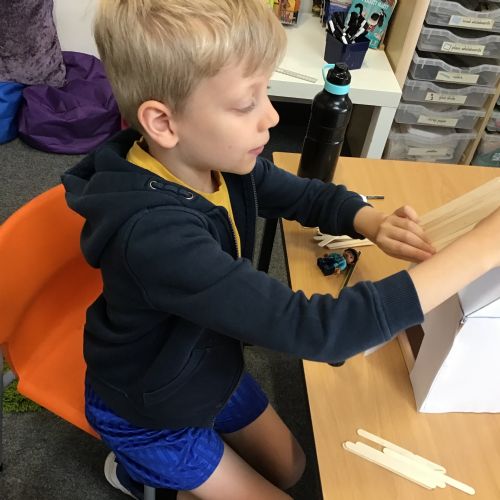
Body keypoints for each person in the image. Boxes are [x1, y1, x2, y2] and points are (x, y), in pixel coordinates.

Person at [62, 1, 500, 499]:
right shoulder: (156, 237)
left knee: (291, 468)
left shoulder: (211, 159)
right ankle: (143, 475)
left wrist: (370, 220)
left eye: (265, 92)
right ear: (163, 123)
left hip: (202, 362)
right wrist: (481, 250)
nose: (271, 116)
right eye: (246, 103)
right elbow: (320, 331)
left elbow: (299, 193)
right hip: (151, 411)